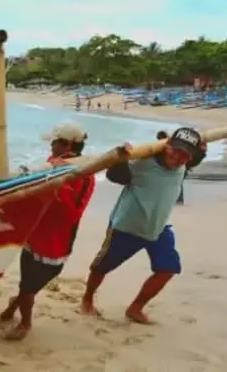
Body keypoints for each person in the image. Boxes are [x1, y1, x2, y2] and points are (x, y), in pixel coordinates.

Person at [80, 127, 207, 324]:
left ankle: (135, 308)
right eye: (176, 151)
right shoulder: (141, 163)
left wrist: (201, 152)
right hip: (127, 227)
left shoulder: (184, 165)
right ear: (167, 147)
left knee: (168, 268)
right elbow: (115, 176)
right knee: (101, 267)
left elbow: (194, 159)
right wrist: (120, 157)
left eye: (185, 155)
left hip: (158, 228)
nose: (179, 158)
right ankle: (87, 299)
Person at [0, 122, 96, 340]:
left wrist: (58, 186)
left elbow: (71, 214)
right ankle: (21, 314)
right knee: (28, 285)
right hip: (35, 237)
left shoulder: (84, 175)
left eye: (54, 142)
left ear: (66, 144)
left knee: (31, 286)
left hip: (55, 244)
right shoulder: (53, 166)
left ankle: (23, 322)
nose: (50, 146)